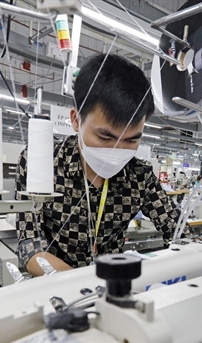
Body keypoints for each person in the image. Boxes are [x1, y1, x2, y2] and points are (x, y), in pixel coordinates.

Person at [15, 54, 184, 276]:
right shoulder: (41, 162)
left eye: (131, 140)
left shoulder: (140, 176)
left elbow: (177, 230)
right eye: (105, 137)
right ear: (76, 120)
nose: (117, 150)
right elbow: (29, 244)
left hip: (111, 285)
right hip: (54, 285)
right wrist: (86, 284)